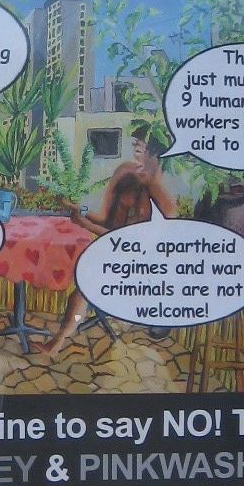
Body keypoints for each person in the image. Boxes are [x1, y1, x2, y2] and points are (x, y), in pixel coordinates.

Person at [42, 130, 177, 355]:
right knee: (82, 280)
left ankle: (59, 340)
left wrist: (86, 225)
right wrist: (80, 209)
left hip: (138, 269)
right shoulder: (125, 175)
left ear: (157, 159)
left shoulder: (165, 204)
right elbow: (105, 218)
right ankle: (60, 339)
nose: (138, 159)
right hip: (114, 255)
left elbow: (130, 245)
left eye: (143, 154)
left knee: (86, 284)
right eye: (136, 151)